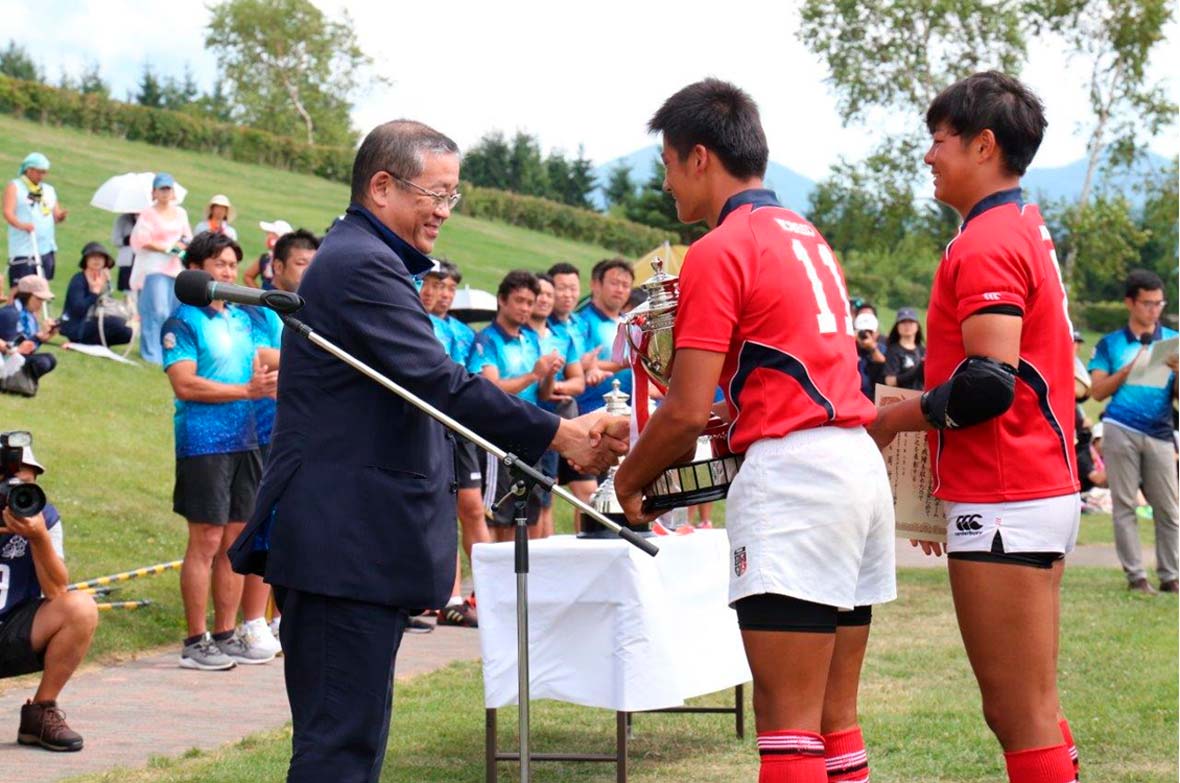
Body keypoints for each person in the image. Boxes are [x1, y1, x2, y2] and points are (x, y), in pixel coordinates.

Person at [227, 119, 626, 783]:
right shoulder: (360, 264)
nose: (444, 211)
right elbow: (442, 383)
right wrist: (561, 433)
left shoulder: (370, 260)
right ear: (382, 186)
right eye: (434, 194)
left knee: (351, 747)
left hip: (356, 550)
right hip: (340, 551)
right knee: (337, 753)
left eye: (453, 196)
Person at [611, 79, 895, 783]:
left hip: (795, 476)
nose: (669, 182)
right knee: (836, 717)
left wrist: (629, 476)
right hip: (856, 467)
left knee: (788, 723)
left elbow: (680, 410)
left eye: (670, 164)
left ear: (700, 157)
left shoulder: (718, 246)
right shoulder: (808, 234)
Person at [868, 72, 1081, 783]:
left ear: (983, 145)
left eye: (939, 140)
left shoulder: (987, 238)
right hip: (1020, 487)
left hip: (1008, 492)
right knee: (1033, 708)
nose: (929, 156)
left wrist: (892, 419)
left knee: (1019, 713)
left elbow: (991, 382)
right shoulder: (1020, 222)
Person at [162, 231, 278, 671]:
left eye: (232, 265)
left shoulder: (243, 319)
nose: (228, 273)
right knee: (206, 541)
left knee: (234, 541)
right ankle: (196, 640)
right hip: (204, 443)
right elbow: (185, 383)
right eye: (219, 264)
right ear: (195, 270)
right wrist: (246, 390)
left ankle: (227, 633)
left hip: (246, 440)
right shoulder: (182, 322)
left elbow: (270, 357)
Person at [1, 445, 98, 752]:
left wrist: (38, 537)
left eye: (25, 484)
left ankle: (40, 712)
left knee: (80, 608)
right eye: (8, 484)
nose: (15, 493)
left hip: (11, 629)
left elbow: (57, 591)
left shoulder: (42, 517)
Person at [1088, 269, 1179, 594]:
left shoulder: (1171, 341)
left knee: (1168, 507)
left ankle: (1171, 576)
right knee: (1125, 504)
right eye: (1147, 303)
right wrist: (1126, 371)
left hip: (1160, 431)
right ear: (1130, 302)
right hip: (1120, 427)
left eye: (1158, 303)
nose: (1153, 309)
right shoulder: (1110, 344)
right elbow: (1097, 392)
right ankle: (1136, 577)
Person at [467, 270, 563, 542]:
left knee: (528, 512)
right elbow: (490, 388)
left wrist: (550, 373)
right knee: (498, 513)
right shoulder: (486, 339)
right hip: (498, 433)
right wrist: (534, 374)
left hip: (530, 431)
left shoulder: (532, 339)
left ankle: (521, 578)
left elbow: (545, 393)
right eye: (519, 301)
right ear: (502, 300)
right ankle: (493, 582)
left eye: (530, 303)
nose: (525, 308)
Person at [421, 259, 480, 628]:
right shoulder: (413, 321)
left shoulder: (462, 332)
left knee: (472, 507)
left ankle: (484, 592)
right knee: (437, 508)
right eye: (432, 284)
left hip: (459, 426)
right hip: (424, 423)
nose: (440, 293)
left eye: (447, 287)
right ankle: (449, 595)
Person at [528, 272, 586, 538]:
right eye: (540, 294)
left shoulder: (561, 336)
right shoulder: (520, 334)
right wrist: (546, 381)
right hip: (527, 419)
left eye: (549, 295)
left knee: (546, 494)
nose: (545, 300)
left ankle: (543, 554)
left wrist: (555, 386)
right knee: (527, 501)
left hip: (555, 422)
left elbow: (578, 382)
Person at [547, 261, 598, 530]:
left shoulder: (580, 323)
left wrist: (590, 369)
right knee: (546, 493)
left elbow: (592, 362)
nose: (567, 294)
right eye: (561, 288)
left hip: (574, 415)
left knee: (588, 492)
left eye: (572, 288)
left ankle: (583, 544)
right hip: (549, 415)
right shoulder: (545, 327)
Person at [130, 173, 191, 365]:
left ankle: (168, 348)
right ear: (154, 192)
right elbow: (142, 240)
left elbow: (187, 236)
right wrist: (165, 247)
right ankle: (151, 352)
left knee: (172, 310)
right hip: (153, 266)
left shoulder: (180, 213)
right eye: (161, 189)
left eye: (168, 189)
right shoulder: (148, 213)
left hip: (174, 266)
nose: (165, 193)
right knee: (157, 309)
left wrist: (179, 248)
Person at [574, 258, 634, 414]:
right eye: (614, 283)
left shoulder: (631, 323)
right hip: (593, 406)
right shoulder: (582, 321)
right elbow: (577, 365)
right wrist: (627, 363)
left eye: (625, 285)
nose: (620, 290)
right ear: (596, 285)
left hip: (630, 405)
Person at [4, 152, 66, 287]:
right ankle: (12, 308)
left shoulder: (48, 190)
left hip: (45, 247)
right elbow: (8, 213)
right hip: (23, 247)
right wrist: (21, 225)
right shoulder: (15, 187)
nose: (42, 176)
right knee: (20, 288)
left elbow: (55, 214)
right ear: (29, 170)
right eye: (39, 172)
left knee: (41, 289)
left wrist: (60, 216)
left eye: (45, 172)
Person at [60, 242, 133, 347]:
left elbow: (106, 305)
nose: (97, 261)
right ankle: (84, 341)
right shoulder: (79, 279)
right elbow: (78, 309)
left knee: (127, 332)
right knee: (115, 323)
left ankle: (98, 342)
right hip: (79, 324)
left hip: (98, 320)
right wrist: (94, 293)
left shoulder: (105, 281)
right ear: (86, 260)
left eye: (100, 258)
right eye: (93, 257)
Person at [0, 276, 59, 381]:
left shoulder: (30, 315)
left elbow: (28, 349)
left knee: (50, 359)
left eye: (43, 300)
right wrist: (37, 337)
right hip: (6, 361)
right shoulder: (10, 314)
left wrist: (42, 337)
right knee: (42, 362)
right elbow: (10, 351)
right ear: (26, 296)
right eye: (39, 299)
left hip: (16, 359)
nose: (41, 304)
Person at [883, 307, 926, 390]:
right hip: (901, 398)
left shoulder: (923, 350)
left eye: (911, 322)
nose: (907, 325)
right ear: (897, 326)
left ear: (917, 326)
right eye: (903, 322)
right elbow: (889, 381)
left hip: (921, 398)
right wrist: (916, 371)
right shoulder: (893, 350)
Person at [244, 220, 293, 289]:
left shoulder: (289, 262)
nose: (267, 237)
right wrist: (259, 294)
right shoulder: (265, 259)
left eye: (270, 235)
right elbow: (248, 276)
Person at [853, 308, 888, 399]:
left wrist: (872, 348)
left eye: (870, 332)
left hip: (873, 397)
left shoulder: (881, 348)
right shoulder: (850, 346)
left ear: (876, 333)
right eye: (863, 332)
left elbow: (882, 362)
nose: (866, 335)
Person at [111, 213, 138, 293]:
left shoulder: (148, 219)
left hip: (143, 261)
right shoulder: (122, 219)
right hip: (127, 262)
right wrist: (126, 240)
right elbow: (115, 240)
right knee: (128, 293)